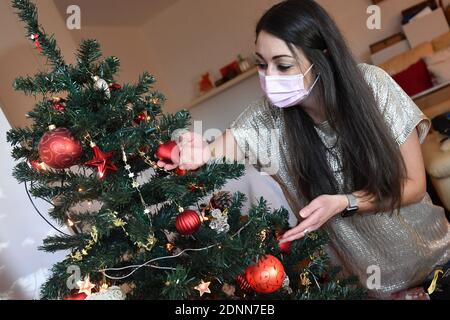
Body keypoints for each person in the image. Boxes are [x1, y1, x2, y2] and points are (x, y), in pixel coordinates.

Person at [157, 0, 450, 299]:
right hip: (373, 292)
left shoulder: (373, 86)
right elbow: (211, 152)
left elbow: (413, 186)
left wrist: (344, 202)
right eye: (262, 63)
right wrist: (195, 150)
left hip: (436, 263)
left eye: (282, 65)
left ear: (323, 57)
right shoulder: (267, 118)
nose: (269, 77)